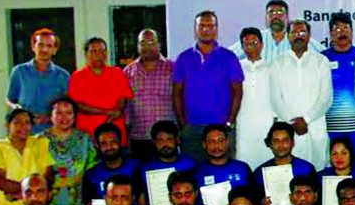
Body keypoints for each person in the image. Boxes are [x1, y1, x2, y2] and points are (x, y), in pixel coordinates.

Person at [173, 10, 244, 162]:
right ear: (195, 29)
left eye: (210, 26)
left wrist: (229, 122)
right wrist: (183, 124)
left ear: (216, 29)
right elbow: (176, 93)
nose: (206, 30)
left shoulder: (229, 57)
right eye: (202, 26)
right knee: (193, 175)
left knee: (222, 175)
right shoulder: (184, 58)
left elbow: (237, 92)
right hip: (192, 129)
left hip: (222, 128)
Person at [270, 19, 333, 171]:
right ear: (288, 36)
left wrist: (306, 119)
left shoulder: (321, 61)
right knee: (289, 172)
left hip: (314, 125)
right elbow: (275, 99)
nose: (298, 36)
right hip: (289, 128)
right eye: (294, 32)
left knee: (316, 171)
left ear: (309, 36)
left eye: (302, 32)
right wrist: (293, 121)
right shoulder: (278, 62)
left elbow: (326, 98)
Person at [38, 96, 97, 205]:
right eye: (58, 113)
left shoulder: (84, 139)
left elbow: (93, 171)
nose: (64, 117)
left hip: (79, 200)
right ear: (50, 116)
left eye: (69, 113)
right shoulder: (39, 141)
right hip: (50, 200)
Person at [68, 37, 134, 145]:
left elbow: (123, 98)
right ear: (86, 54)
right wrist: (108, 112)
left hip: (115, 135)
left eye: (102, 50)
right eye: (94, 51)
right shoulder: (77, 77)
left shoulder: (117, 73)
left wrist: (118, 110)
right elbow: (78, 106)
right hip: (88, 136)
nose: (99, 55)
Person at [123, 29, 176, 161]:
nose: (147, 46)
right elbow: (126, 107)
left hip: (167, 139)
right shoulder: (128, 72)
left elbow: (181, 99)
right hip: (139, 137)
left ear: (159, 45)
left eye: (151, 42)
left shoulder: (173, 68)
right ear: (137, 46)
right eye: (143, 43)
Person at [6, 28, 70, 134]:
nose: (44, 49)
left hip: (52, 135)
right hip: (24, 133)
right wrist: (16, 108)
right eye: (40, 45)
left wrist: (48, 118)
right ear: (33, 47)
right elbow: (10, 99)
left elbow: (69, 109)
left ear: (55, 50)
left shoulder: (63, 76)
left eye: (49, 46)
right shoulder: (19, 71)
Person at [252, 121, 317, 205]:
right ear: (270, 144)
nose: (281, 145)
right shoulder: (260, 173)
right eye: (276, 141)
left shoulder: (306, 168)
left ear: (292, 142)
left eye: (285, 140)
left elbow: (316, 201)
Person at [323, 12, 355, 169]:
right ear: (331, 34)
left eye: (346, 28)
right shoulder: (322, 59)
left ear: (352, 33)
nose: (342, 32)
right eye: (337, 29)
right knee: (333, 170)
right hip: (330, 127)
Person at [235, 27, 278, 170]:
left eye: (254, 43)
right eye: (246, 44)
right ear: (242, 47)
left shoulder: (272, 67)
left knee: (267, 167)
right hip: (244, 127)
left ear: (262, 44)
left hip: (267, 125)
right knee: (245, 164)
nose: (250, 47)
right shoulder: (237, 67)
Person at [229, 0, 324, 61]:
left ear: (287, 17)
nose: (276, 16)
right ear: (266, 17)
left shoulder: (298, 38)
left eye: (280, 13)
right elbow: (228, 56)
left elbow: (325, 56)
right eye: (271, 13)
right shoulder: (256, 38)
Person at [83, 123, 144, 205]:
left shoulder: (136, 167)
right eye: (104, 143)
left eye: (113, 142)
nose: (109, 147)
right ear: (97, 146)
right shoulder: (91, 175)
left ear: (120, 142)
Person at [138, 120, 196, 205]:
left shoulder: (190, 164)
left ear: (177, 140)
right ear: (153, 142)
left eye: (169, 139)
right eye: (160, 140)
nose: (165, 144)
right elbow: (141, 204)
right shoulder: (146, 169)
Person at [195, 124, 254, 190]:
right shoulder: (197, 171)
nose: (216, 146)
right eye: (211, 142)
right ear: (204, 144)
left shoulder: (243, 168)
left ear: (227, 142)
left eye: (220, 141)